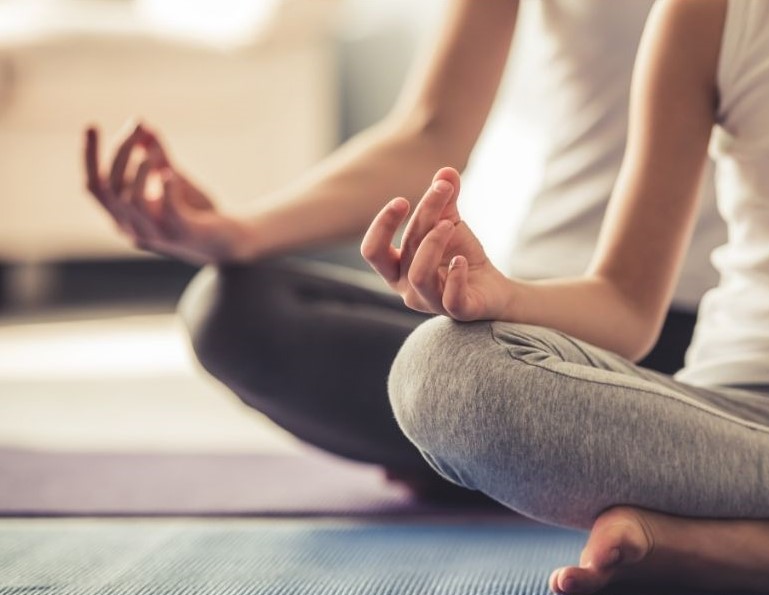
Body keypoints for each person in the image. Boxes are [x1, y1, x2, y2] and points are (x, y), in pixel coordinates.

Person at [361, 0, 769, 595]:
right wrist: (502, 293)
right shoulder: (707, 14)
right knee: (443, 371)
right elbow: (624, 306)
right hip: (737, 420)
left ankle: (742, 549)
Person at [83, 2, 724, 498]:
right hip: (529, 320)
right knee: (235, 308)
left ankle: (496, 463)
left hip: (709, 339)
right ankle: (518, 462)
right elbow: (431, 130)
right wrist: (238, 231)